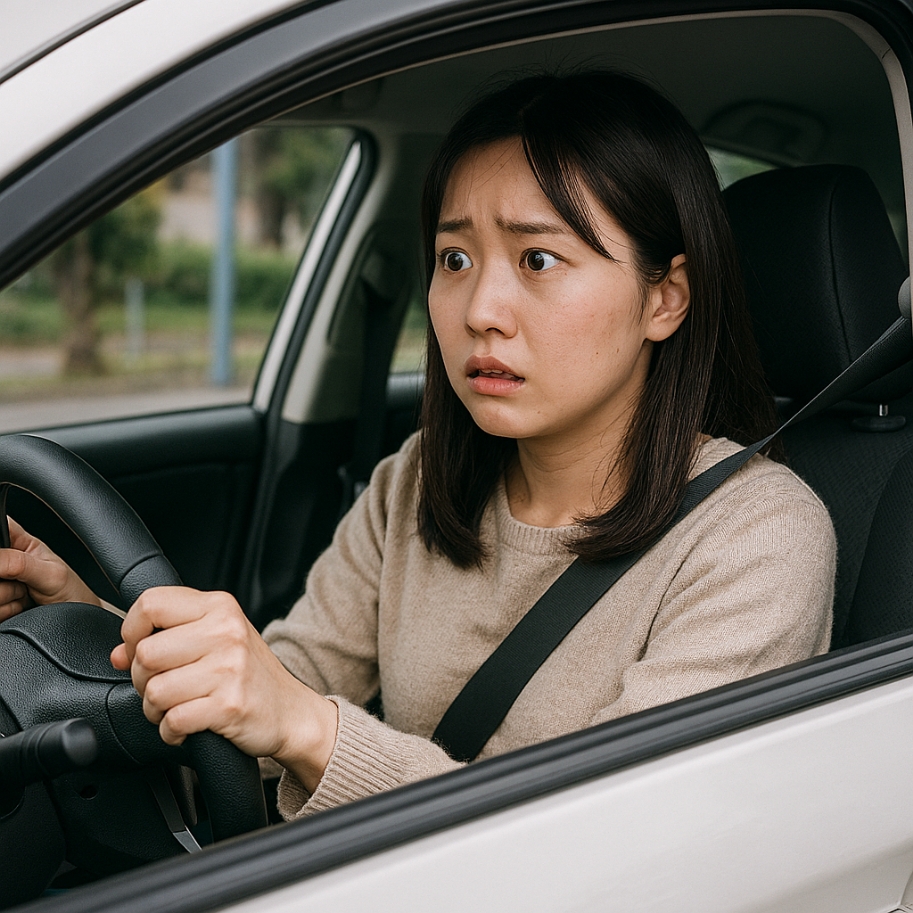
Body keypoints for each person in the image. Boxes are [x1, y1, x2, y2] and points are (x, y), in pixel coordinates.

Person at [0, 71, 835, 820]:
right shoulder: (417, 482)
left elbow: (609, 845)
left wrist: (310, 730)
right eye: (455, 257)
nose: (479, 309)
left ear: (665, 299)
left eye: (537, 257)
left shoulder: (756, 538)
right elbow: (272, 692)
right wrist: (101, 627)